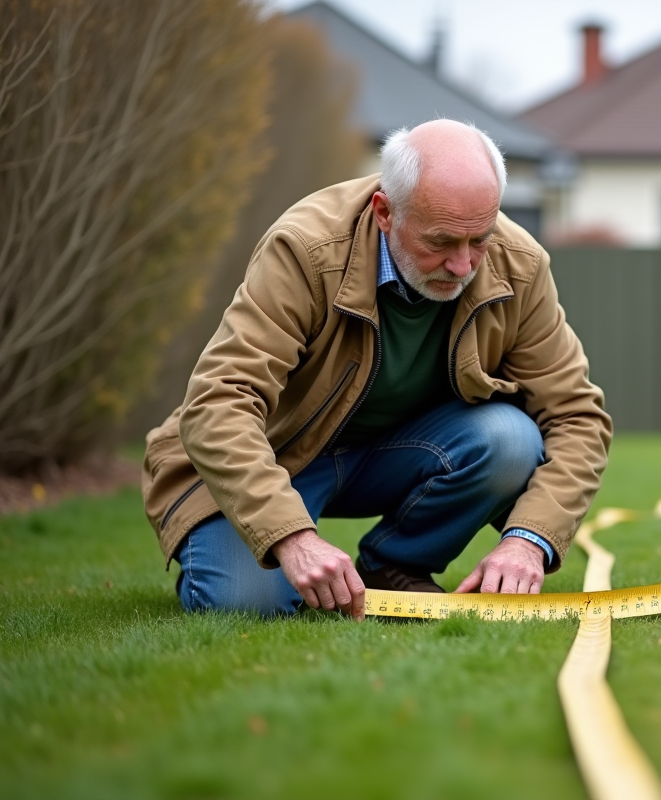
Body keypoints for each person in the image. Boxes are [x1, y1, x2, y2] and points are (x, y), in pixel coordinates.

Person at [142, 120, 611, 619]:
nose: (463, 264)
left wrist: (527, 540)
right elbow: (218, 402)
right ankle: (230, 563)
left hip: (394, 455)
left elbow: (578, 418)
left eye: (480, 238)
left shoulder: (520, 264)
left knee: (510, 438)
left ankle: (393, 566)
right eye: (442, 242)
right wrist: (293, 538)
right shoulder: (305, 249)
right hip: (276, 456)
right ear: (385, 212)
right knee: (248, 604)